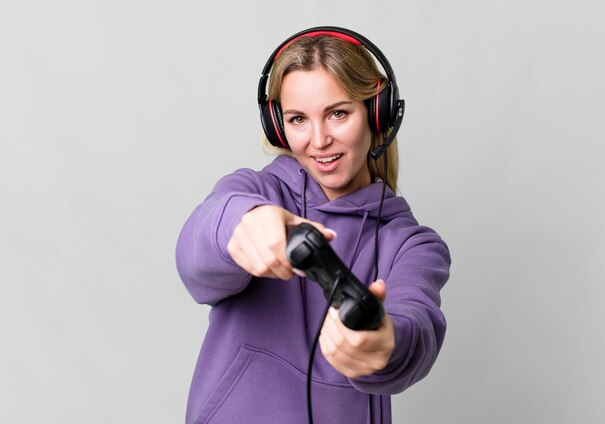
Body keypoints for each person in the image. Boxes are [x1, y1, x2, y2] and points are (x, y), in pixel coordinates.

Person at [175, 27, 451, 424]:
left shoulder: (412, 244)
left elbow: (417, 326)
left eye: (338, 113)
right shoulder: (254, 192)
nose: (319, 140)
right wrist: (240, 226)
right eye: (298, 119)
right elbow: (196, 252)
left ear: (377, 113)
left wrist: (386, 343)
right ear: (277, 126)